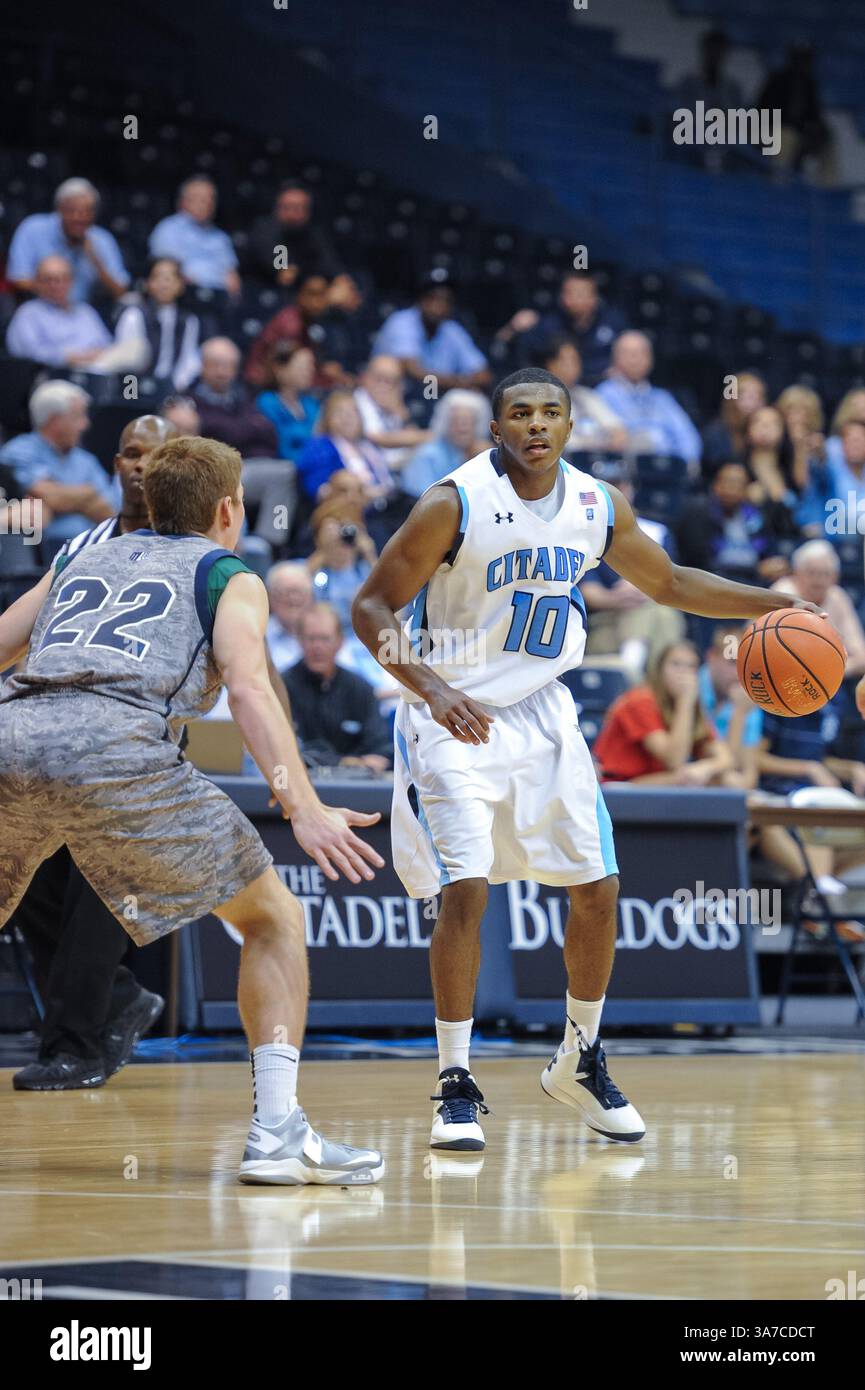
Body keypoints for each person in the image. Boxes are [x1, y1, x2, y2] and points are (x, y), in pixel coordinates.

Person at [352, 366, 817, 1152]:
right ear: (496, 429)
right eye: (520, 414)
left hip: (543, 712)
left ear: (570, 427)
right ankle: (455, 1081)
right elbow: (369, 606)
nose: (536, 425)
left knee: (597, 888)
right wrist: (428, 690)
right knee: (465, 890)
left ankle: (579, 1055)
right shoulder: (452, 502)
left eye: (550, 414)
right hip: (455, 712)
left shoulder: (597, 505)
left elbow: (668, 581)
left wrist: (768, 602)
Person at [0, 434, 385, 1184]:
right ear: (228, 509)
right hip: (117, 750)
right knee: (271, 918)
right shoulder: (229, 572)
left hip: (11, 735)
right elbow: (246, 688)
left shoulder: (79, 555)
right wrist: (300, 805)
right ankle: (277, 1134)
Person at [8, 415, 178, 1092]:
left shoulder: (197, 549)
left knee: (94, 895)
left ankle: (74, 1044)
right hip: (54, 741)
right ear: (115, 463)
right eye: (133, 455)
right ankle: (116, 1001)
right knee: (26, 883)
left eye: (156, 457)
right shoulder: (80, 545)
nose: (142, 468)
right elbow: (24, 625)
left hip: (138, 746)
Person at [580, 457, 684, 672]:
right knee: (656, 613)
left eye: (619, 486)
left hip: (649, 613)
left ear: (629, 490)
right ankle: (656, 686)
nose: (613, 494)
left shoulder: (657, 531)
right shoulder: (586, 535)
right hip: (607, 619)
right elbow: (590, 592)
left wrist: (641, 590)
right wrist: (620, 597)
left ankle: (632, 673)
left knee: (660, 613)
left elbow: (670, 583)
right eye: (606, 487)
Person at [594, 641, 733, 786]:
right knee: (686, 779)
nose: (683, 672)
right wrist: (685, 702)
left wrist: (705, 768)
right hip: (617, 784)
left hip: (655, 783)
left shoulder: (690, 706)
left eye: (691, 666)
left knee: (725, 779)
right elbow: (674, 759)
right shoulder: (639, 701)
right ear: (660, 670)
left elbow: (726, 758)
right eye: (675, 664)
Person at [0, 381, 115, 548]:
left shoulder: (87, 460)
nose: (85, 425)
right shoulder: (19, 450)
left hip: (92, 551)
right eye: (78, 417)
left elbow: (109, 513)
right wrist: (88, 494)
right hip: (42, 551)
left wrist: (62, 499)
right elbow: (51, 498)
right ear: (54, 421)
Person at [282, 603, 392, 772]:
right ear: (299, 641)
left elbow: (381, 747)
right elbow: (289, 750)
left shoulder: (360, 688)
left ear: (340, 642)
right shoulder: (283, 687)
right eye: (311, 639)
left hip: (356, 788)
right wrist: (348, 762)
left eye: (325, 639)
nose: (317, 647)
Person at [6, 177, 129, 304]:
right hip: (41, 308)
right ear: (59, 209)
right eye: (72, 211)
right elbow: (19, 279)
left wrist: (95, 260)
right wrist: (54, 289)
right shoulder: (33, 228)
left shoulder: (102, 239)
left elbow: (120, 291)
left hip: (83, 314)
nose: (79, 218)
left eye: (87, 211)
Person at [596, 331, 702, 467]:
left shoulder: (663, 398)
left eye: (641, 353)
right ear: (615, 359)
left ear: (650, 359)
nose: (635, 359)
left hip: (668, 471)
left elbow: (688, 438)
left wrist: (686, 466)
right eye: (628, 353)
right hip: (629, 471)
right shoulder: (603, 394)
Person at [674, 462, 786, 586]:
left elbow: (770, 550)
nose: (732, 488)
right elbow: (699, 565)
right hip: (713, 584)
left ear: (746, 489)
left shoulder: (755, 516)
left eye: (739, 484)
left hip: (755, 583)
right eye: (728, 482)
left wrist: (776, 565)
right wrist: (754, 570)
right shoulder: (698, 514)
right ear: (715, 485)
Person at [371, 278, 491, 392]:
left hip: (437, 395)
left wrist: (456, 383)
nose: (438, 306)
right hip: (398, 393)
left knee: (469, 400)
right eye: (432, 298)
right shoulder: (402, 321)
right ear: (421, 300)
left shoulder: (452, 330)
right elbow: (412, 371)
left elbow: (484, 375)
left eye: (445, 300)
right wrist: (459, 382)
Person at [507, 271, 625, 386]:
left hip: (601, 387)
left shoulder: (613, 321)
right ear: (562, 297)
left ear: (594, 298)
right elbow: (527, 361)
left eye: (583, 293)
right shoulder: (547, 326)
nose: (577, 299)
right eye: (571, 293)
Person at [771, 539, 865, 677]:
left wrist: (825, 674)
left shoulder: (837, 597)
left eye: (825, 574)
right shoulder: (783, 594)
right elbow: (771, 654)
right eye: (812, 573)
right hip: (785, 677)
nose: (818, 580)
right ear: (797, 574)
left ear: (835, 578)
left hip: (827, 679)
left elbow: (861, 658)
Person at [111, 257, 202, 391]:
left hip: (172, 389)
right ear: (148, 284)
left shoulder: (189, 320)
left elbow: (188, 360)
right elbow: (125, 360)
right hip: (136, 388)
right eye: (157, 277)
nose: (164, 284)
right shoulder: (134, 315)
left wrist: (175, 389)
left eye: (170, 278)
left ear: (181, 285)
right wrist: (132, 396)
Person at [6, 255, 112, 367]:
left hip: (99, 371)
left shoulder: (86, 311)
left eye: (62, 279)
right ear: (37, 283)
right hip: (54, 376)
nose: (55, 285)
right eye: (48, 280)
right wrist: (67, 357)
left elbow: (108, 344)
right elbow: (26, 353)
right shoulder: (28, 313)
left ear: (71, 282)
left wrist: (98, 354)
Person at [148, 176, 240, 296]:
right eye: (199, 198)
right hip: (185, 296)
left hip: (218, 298)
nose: (206, 203)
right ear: (184, 201)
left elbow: (232, 278)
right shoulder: (168, 229)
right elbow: (166, 272)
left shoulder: (220, 237)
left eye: (210, 198)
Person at [539, 337, 628, 454]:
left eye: (575, 361)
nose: (571, 367)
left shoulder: (588, 395)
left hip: (595, 461)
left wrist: (616, 439)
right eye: (565, 362)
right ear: (551, 365)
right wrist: (593, 444)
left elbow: (618, 429)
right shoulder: (540, 400)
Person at [243, 273, 332, 390]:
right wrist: (326, 380)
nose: (317, 303)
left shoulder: (310, 321)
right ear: (299, 295)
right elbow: (284, 370)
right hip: (263, 385)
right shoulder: (290, 325)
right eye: (312, 295)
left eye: (322, 296)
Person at [246, 182, 340, 289]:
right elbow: (285, 272)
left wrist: (339, 283)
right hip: (267, 292)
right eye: (287, 207)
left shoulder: (314, 233)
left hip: (308, 291)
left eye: (299, 208)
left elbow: (331, 266)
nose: (292, 214)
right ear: (276, 208)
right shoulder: (265, 230)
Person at [401, 389, 490, 498]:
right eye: (457, 421)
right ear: (445, 422)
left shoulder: (480, 455)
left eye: (468, 422)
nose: (463, 428)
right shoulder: (427, 455)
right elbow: (421, 500)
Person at [353, 356, 430, 472]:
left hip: (395, 467)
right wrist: (428, 436)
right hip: (369, 469)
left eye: (391, 381)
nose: (384, 386)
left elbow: (412, 437)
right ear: (365, 378)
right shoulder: (360, 398)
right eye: (379, 379)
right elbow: (378, 438)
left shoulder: (391, 403)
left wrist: (402, 413)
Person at [255, 343, 320, 459]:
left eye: (311, 367)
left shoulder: (311, 404)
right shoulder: (266, 403)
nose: (309, 371)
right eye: (302, 367)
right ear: (280, 369)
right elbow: (281, 446)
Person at [702, 372, 767, 471]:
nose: (753, 402)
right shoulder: (715, 433)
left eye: (758, 396)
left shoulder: (768, 432)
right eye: (745, 395)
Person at [265, 561, 314, 671]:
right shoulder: (259, 635)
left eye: (299, 592)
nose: (293, 599)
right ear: (270, 596)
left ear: (311, 596)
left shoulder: (325, 632)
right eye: (285, 592)